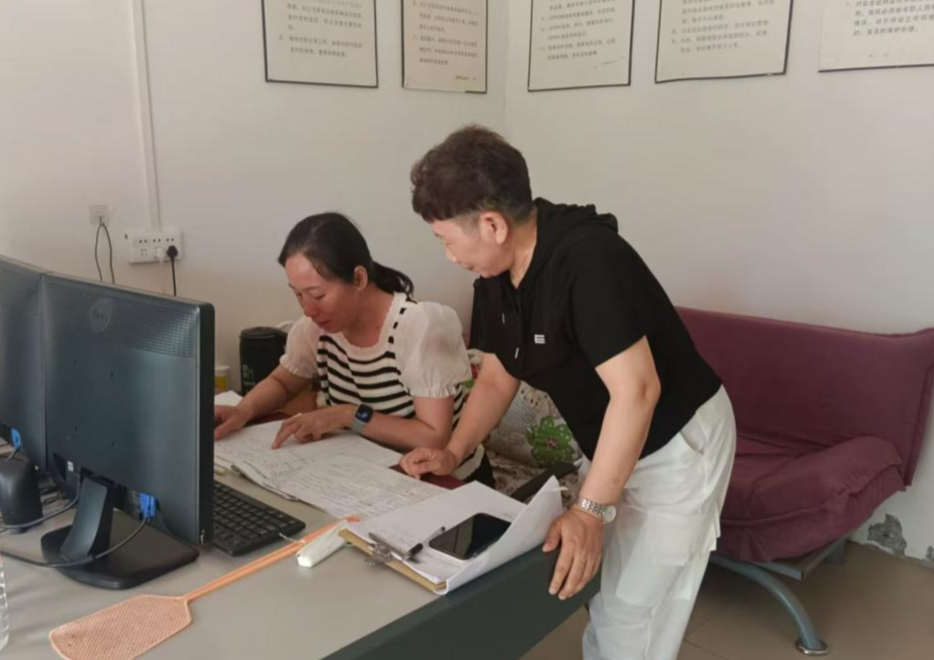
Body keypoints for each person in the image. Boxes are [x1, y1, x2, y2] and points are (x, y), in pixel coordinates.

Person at [399, 126, 736, 660]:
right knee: (605, 594)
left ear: (492, 225)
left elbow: (638, 393)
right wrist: (453, 450)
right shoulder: (495, 275)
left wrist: (589, 512)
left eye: (446, 239)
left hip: (676, 444)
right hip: (611, 437)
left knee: (635, 611)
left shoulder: (588, 262)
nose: (448, 256)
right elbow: (498, 376)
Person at [214, 212, 493, 485]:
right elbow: (283, 383)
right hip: (371, 478)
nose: (308, 309)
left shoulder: (418, 327)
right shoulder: (315, 330)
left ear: (358, 279)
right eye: (298, 294)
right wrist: (243, 410)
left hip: (446, 482)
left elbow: (433, 437)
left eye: (317, 295)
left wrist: (347, 415)